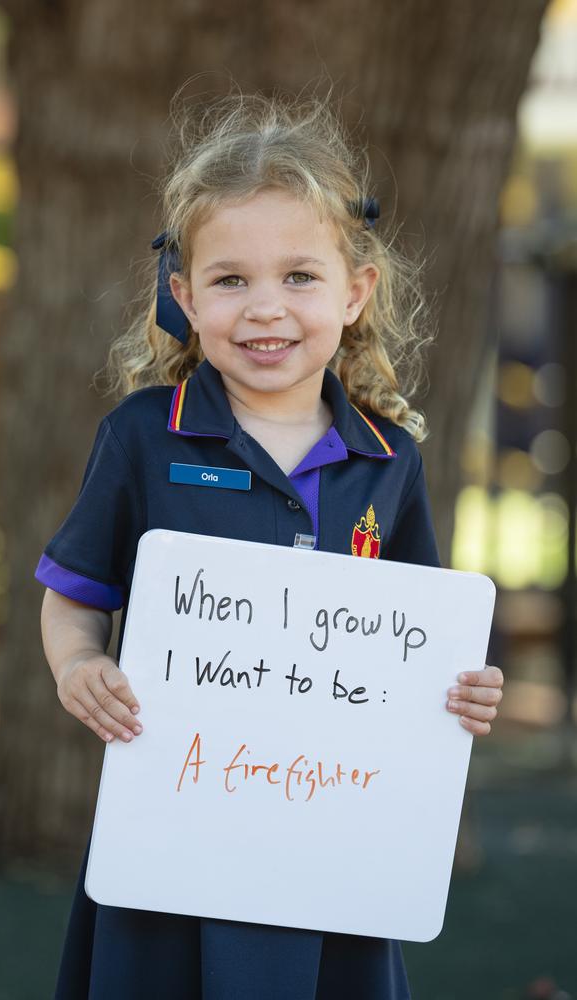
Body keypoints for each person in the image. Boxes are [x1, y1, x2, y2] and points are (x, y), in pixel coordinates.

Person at [35, 88, 504, 1000]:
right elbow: (75, 594)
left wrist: (468, 689)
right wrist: (76, 666)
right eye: (230, 279)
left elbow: (427, 635)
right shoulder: (142, 436)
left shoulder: (389, 459)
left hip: (332, 841)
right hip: (172, 825)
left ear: (355, 292)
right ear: (184, 295)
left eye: (299, 276)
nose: (266, 310)